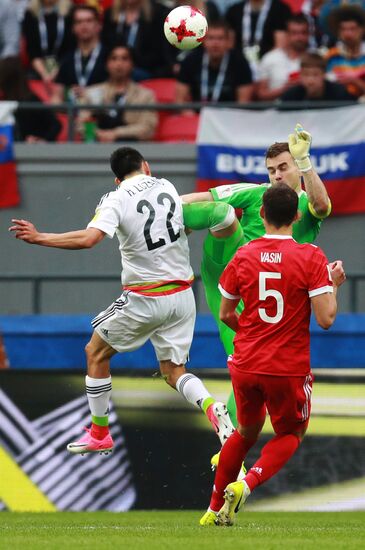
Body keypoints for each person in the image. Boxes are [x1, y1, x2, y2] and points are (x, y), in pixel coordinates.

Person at [9, 146, 237, 454]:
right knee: (173, 372)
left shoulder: (116, 198)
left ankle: (100, 432)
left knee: (95, 353)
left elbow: (89, 239)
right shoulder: (167, 187)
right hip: (183, 296)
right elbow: (180, 227)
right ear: (146, 166)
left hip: (146, 296)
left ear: (117, 179)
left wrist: (40, 237)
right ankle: (211, 406)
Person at [199, 183, 346, 526]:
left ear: (261, 214)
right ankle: (245, 486)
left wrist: (253, 333)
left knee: (244, 432)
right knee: (290, 434)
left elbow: (225, 314)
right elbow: (325, 319)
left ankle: (212, 508)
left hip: (247, 363)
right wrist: (334, 284)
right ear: (296, 216)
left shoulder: (244, 254)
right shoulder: (311, 256)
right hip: (287, 367)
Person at [182, 124, 331, 433]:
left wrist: (306, 164)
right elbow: (193, 198)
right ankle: (158, 224)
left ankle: (229, 447)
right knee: (222, 213)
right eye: (271, 170)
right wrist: (165, 211)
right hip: (227, 273)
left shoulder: (306, 206)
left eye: (284, 167)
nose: (277, 175)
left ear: (297, 168)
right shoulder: (254, 193)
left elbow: (321, 206)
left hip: (256, 307)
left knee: (248, 367)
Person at [79, 45, 158, 142]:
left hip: (134, 149)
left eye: (124, 59)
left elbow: (147, 128)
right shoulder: (90, 92)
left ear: (132, 64)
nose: (119, 64)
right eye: (114, 58)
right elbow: (81, 124)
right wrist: (99, 134)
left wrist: (115, 134)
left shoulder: (146, 95)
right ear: (106, 64)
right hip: (97, 147)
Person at [176, 20, 253, 106]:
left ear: (228, 42)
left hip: (230, 115)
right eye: (211, 38)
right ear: (203, 41)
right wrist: (189, 115)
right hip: (197, 116)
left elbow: (243, 102)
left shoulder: (240, 62)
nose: (215, 43)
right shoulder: (190, 61)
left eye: (220, 38)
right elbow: (180, 100)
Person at [101, 0, 171, 80]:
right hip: (115, 70)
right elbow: (106, 46)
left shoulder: (159, 13)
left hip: (147, 70)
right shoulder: (110, 14)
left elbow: (161, 51)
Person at [52, 5, 107, 103]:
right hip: (72, 115)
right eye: (79, 22)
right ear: (73, 28)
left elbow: (118, 90)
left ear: (99, 25)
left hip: (103, 114)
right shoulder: (66, 60)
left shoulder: (111, 57)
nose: (84, 25)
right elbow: (56, 98)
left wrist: (89, 93)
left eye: (89, 21)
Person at [0, 56, 61, 142]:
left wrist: (42, 140)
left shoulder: (31, 100)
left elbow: (56, 125)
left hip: (33, 152)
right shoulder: (4, 102)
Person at [225, 0, 292, 77]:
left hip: (269, 64)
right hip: (240, 65)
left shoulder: (280, 9)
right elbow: (229, 45)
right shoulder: (234, 10)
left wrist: (265, 63)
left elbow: (280, 46)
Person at [256, 14, 310, 102]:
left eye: (303, 33)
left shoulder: (316, 58)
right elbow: (260, 94)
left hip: (309, 112)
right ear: (287, 35)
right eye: (294, 33)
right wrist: (285, 89)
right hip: (276, 112)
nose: (299, 38)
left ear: (309, 34)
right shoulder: (270, 58)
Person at [22, 0, 74, 83]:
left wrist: (55, 72)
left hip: (65, 64)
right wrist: (44, 73)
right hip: (38, 68)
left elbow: (72, 46)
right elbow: (31, 48)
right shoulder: (30, 13)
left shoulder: (69, 11)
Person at [280, 51, 357, 103]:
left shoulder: (340, 93)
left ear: (324, 75)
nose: (310, 80)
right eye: (306, 74)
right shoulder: (291, 96)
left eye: (315, 75)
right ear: (300, 75)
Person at [326, 5, 365, 98]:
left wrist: (355, 82)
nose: (348, 34)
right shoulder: (331, 56)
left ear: (362, 30)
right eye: (343, 29)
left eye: (352, 29)